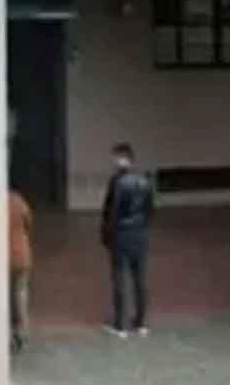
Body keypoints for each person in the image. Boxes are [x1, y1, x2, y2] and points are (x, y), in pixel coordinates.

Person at [100, 142, 154, 339]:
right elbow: (150, 209)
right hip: (140, 234)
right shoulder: (145, 180)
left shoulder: (117, 182)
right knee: (140, 278)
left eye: (115, 157)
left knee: (119, 277)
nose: (113, 161)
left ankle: (120, 325)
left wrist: (107, 234)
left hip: (121, 235)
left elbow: (111, 211)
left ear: (122, 158)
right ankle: (140, 323)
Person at [8, 186, 33, 353]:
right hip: (22, 255)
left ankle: (8, 335)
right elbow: (29, 222)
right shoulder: (19, 201)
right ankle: (22, 333)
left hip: (3, 256)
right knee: (21, 293)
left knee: (5, 297)